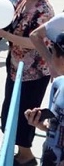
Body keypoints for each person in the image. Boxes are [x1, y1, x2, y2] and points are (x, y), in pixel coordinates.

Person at [0, 0, 55, 166]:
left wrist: (4, 35)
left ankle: (26, 155)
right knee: (10, 107)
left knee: (26, 113)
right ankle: (18, 150)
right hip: (16, 66)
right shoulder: (22, 2)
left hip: (34, 72)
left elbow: (35, 41)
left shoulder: (44, 11)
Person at [25, 31, 64, 166]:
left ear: (61, 59)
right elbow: (56, 127)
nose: (50, 57)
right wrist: (41, 124)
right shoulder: (58, 84)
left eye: (52, 52)